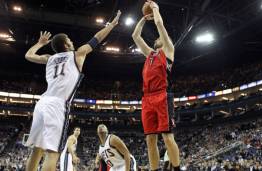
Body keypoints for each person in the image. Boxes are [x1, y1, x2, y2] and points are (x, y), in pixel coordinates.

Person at [24, 11, 121, 171]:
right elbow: (96, 39)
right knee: (52, 153)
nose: (72, 41)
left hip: (42, 103)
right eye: (69, 40)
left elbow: (28, 55)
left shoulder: (49, 58)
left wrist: (40, 43)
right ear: (66, 45)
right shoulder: (77, 55)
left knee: (37, 150)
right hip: (57, 105)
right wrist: (112, 25)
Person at [132, 1, 180, 170]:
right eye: (158, 38)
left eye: (161, 37)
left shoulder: (168, 49)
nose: (158, 38)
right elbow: (135, 36)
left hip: (162, 95)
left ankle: (176, 168)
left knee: (167, 137)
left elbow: (159, 24)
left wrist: (155, 8)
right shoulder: (150, 54)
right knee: (150, 139)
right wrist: (144, 18)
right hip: (147, 98)